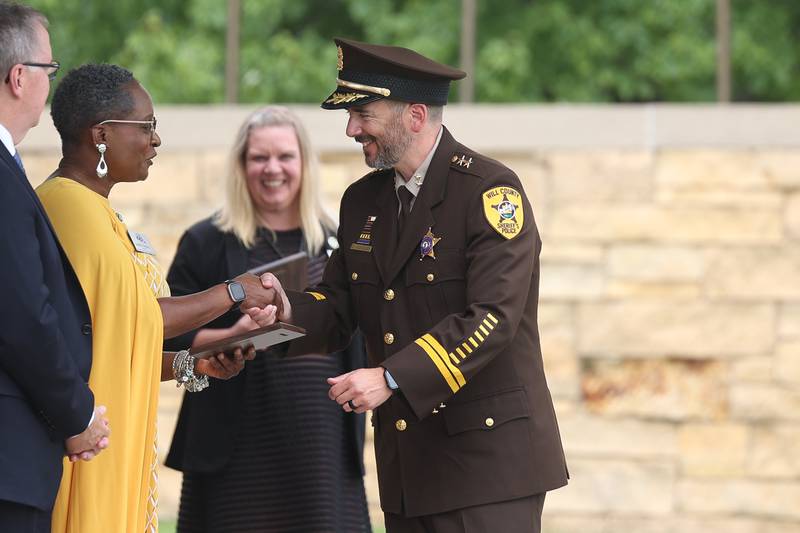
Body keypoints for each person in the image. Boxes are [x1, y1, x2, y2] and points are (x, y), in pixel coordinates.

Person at [261, 38, 570, 532]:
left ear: (416, 115)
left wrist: (388, 377)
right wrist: (283, 314)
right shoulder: (362, 200)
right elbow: (341, 304)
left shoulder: (490, 191)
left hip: (488, 470)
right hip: (409, 467)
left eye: (364, 113)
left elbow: (492, 317)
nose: (351, 129)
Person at [35, 63, 280, 533]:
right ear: (101, 134)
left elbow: (113, 340)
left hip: (113, 438)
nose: (156, 140)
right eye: (146, 126)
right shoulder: (68, 206)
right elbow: (136, 318)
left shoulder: (99, 210)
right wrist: (232, 292)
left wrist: (192, 363)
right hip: (87, 443)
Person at [164, 105, 371, 533]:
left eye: (284, 157)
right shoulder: (206, 243)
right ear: (241, 165)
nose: (272, 169)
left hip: (322, 446)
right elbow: (164, 334)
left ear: (304, 164)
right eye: (259, 157)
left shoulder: (340, 243)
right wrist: (231, 334)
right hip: (234, 446)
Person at [0, 4, 110, 532]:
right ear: (19, 77)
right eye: (49, 69)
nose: (50, 82)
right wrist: (78, 413)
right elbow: (23, 315)